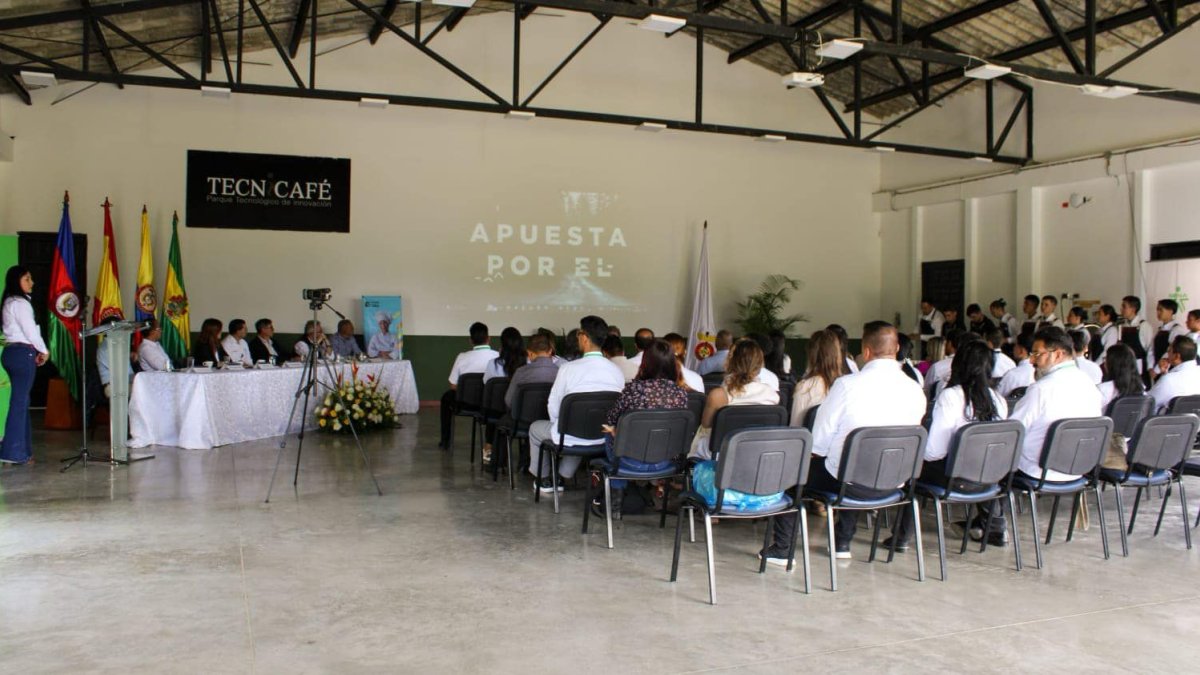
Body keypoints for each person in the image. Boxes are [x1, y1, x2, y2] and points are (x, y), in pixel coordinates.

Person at [761, 322, 925, 564]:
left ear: (866, 352)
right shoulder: (915, 390)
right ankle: (842, 542)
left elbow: (818, 443)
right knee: (854, 463)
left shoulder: (847, 386)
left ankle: (783, 549)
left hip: (848, 481)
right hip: (894, 482)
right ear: (897, 347)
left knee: (794, 474)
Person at [887, 340, 1008, 549]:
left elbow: (934, 451)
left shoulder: (951, 396)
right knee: (980, 465)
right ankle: (996, 528)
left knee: (915, 472)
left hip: (955, 479)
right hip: (990, 478)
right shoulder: (998, 400)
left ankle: (901, 538)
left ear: (958, 364)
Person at [527, 316, 624, 493]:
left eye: (579, 334)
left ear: (585, 338)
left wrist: (560, 425)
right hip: (603, 436)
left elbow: (554, 405)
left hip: (572, 434)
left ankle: (544, 479)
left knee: (536, 429)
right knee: (583, 427)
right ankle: (563, 476)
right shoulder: (616, 371)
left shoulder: (568, 369)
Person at [596, 339, 689, 516]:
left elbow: (611, 419)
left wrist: (614, 430)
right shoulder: (681, 394)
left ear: (645, 363)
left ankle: (616, 505)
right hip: (666, 462)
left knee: (611, 433)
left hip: (629, 461)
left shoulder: (633, 390)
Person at [1009, 327, 1104, 482]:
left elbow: (1014, 430)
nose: (1031, 361)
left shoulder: (1041, 389)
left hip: (1037, 471)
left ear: (1058, 354)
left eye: (1036, 354)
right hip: (1078, 469)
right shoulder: (1089, 384)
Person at [690, 338, 779, 461]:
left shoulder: (718, 395)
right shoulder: (772, 394)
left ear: (729, 362)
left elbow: (706, 424)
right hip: (755, 452)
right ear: (759, 365)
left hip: (720, 454)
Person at [0, 266, 48, 465]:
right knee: (20, 403)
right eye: (27, 279)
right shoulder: (20, 303)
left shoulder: (9, 302)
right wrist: (43, 350)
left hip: (12, 353)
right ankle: (12, 452)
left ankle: (24, 451)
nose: (32, 283)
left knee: (22, 402)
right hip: (22, 353)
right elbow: (30, 331)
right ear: (17, 281)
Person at [438, 322, 498, 449]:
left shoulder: (462, 357)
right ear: (489, 338)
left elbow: (453, 385)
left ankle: (445, 440)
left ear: (470, 340)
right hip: (490, 405)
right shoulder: (497, 356)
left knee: (446, 397)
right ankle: (490, 442)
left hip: (466, 403)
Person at [481, 327, 527, 464]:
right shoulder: (528, 363)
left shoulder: (493, 364)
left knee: (493, 409)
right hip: (521, 413)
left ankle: (488, 449)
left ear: (502, 345)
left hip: (496, 412)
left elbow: (486, 384)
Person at [788, 330, 842, 427]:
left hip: (812, 442)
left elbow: (796, 429)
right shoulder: (846, 386)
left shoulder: (805, 387)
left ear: (811, 355)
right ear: (837, 354)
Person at [503, 333, 559, 411]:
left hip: (524, 420)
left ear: (529, 353)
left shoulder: (521, 372)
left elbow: (509, 401)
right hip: (551, 421)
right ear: (550, 351)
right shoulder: (561, 372)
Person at [1149, 336, 1199, 413]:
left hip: (1169, 424)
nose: (1167, 354)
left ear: (1177, 356)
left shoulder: (1169, 380)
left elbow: (1149, 403)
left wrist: (1164, 377)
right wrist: (1164, 373)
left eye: (1169, 351)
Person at [96, 316, 134, 397]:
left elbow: (129, 371)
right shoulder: (106, 348)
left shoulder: (117, 345)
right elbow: (119, 372)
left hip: (125, 382)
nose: (122, 330)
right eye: (120, 327)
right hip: (112, 386)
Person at [1098, 344, 1143, 410]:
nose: (1104, 363)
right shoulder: (1142, 389)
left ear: (1112, 364)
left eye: (1105, 359)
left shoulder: (1102, 390)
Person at [1150, 299, 1188, 376]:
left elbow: (1170, 352)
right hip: (1156, 368)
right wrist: (1150, 367)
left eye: (1161, 310)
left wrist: (1157, 370)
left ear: (1170, 311)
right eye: (1157, 310)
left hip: (1167, 370)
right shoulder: (1160, 329)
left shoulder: (1176, 329)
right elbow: (1151, 350)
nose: (1158, 313)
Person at [1119, 295, 1152, 376]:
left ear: (1133, 309)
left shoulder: (1143, 325)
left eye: (1124, 307)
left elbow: (1150, 349)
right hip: (1125, 366)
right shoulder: (1123, 325)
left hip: (1140, 367)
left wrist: (1150, 367)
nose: (1121, 309)